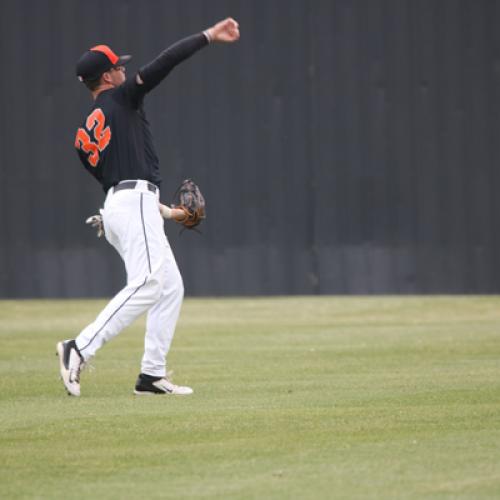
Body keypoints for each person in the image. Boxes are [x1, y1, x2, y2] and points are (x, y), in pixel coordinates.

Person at [57, 18, 240, 397]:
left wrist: (171, 213)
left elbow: (122, 182)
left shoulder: (85, 133)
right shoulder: (122, 98)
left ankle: (151, 376)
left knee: (170, 287)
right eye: (119, 67)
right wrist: (207, 36)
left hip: (122, 206)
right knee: (147, 282)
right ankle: (80, 347)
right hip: (132, 203)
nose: (125, 70)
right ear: (106, 78)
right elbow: (163, 63)